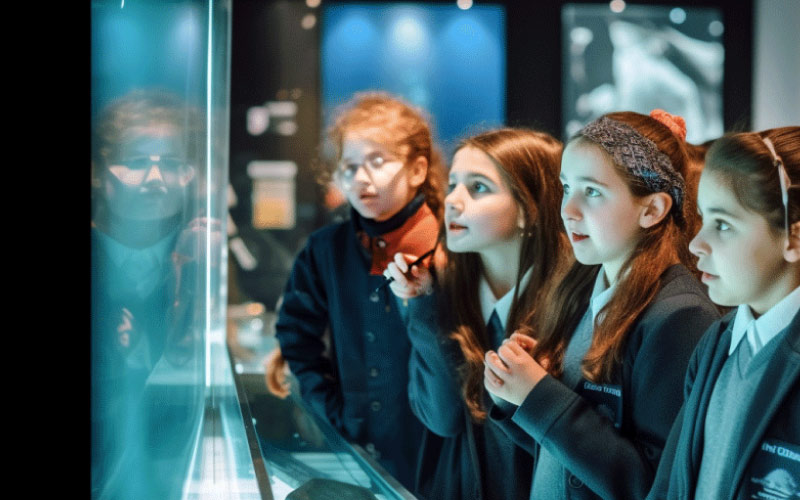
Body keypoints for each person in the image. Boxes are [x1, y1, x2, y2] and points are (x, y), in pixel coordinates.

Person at [482, 110, 721, 500]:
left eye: (591, 191)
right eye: (565, 188)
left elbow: (650, 483)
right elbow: (564, 463)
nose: (568, 210)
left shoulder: (680, 315)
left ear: (652, 210)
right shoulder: (582, 290)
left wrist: (540, 396)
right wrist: (514, 395)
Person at [272, 91, 446, 490]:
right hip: (355, 457)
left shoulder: (448, 246)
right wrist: (330, 410)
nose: (360, 179)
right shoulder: (325, 249)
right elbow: (295, 335)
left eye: (377, 161)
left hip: (440, 458)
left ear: (417, 170)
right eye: (349, 167)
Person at [385, 127, 568, 499]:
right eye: (452, 184)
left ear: (529, 210)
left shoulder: (571, 303)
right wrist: (423, 306)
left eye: (478, 187)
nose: (453, 200)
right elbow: (442, 418)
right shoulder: (437, 292)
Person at [647, 126, 800, 500]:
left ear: (793, 238)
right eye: (702, 219)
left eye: (724, 225)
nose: (697, 244)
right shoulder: (717, 342)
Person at [91, 88, 209, 498]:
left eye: (172, 163)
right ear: (99, 173)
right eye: (137, 161)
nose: (156, 179)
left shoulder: (205, 262)